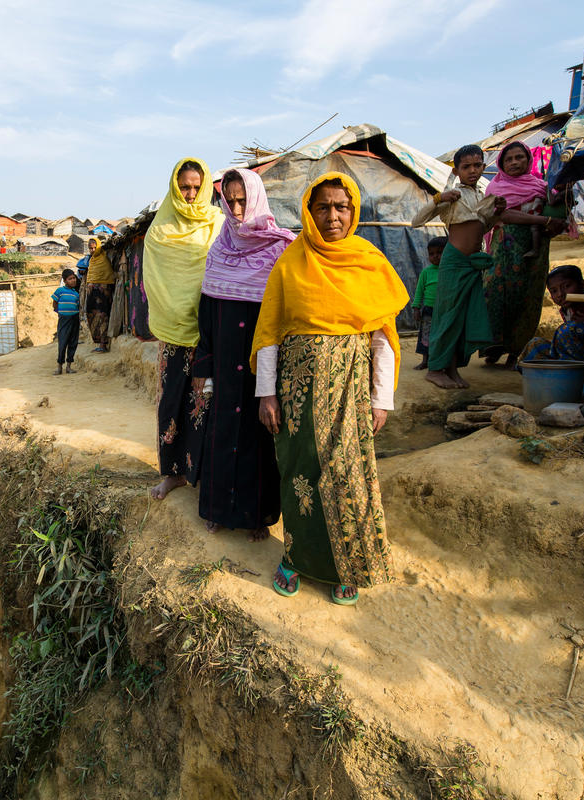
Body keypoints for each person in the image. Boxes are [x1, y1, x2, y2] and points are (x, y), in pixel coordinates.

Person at [252, 173, 409, 606]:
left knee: (346, 474)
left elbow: (383, 339)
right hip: (297, 392)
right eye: (323, 207)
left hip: (351, 392)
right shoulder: (291, 262)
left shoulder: (370, 262)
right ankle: (296, 556)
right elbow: (269, 333)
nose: (333, 215)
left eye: (342, 206)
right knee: (298, 470)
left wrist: (381, 400)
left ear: (353, 211)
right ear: (309, 210)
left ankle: (347, 565)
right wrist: (267, 394)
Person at [193, 168, 294, 540]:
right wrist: (203, 365)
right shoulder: (219, 249)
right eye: (229, 200)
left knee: (258, 438)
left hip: (261, 364)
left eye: (242, 199)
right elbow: (206, 312)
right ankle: (217, 510)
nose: (235, 209)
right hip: (224, 360)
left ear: (256, 198)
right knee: (221, 434)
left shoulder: (281, 248)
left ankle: (257, 517)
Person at [144, 158, 224, 500]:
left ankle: (203, 475)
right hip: (173, 335)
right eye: (184, 187)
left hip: (207, 333)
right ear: (175, 188)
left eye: (196, 187)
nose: (190, 194)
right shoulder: (159, 230)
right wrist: (174, 308)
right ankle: (173, 474)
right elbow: (154, 282)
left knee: (204, 405)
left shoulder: (220, 225)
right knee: (171, 404)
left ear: (205, 188)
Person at [411, 144, 506, 389]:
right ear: (457, 170)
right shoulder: (452, 195)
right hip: (454, 263)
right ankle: (435, 369)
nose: (472, 171)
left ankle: (452, 369)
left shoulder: (481, 197)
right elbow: (416, 221)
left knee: (462, 319)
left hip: (471, 264)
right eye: (466, 167)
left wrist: (496, 214)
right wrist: (438, 198)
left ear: (484, 167)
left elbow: (481, 229)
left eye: (477, 166)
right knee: (448, 317)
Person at [482, 141, 568, 369]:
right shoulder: (495, 188)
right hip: (504, 249)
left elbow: (557, 212)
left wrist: (552, 218)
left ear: (528, 160)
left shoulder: (541, 187)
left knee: (527, 297)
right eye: (508, 159)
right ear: (501, 164)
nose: (514, 162)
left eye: (519, 157)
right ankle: (495, 346)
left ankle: (516, 351)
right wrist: (543, 220)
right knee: (495, 293)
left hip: (535, 248)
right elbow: (505, 216)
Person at [523, 264, 584, 369]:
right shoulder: (567, 310)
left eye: (567, 286)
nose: (560, 294)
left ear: (583, 284)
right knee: (536, 344)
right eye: (554, 291)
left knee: (567, 330)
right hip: (576, 358)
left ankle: (573, 374)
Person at [411, 237, 446, 370]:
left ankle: (440, 362)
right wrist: (416, 308)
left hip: (445, 310)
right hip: (429, 310)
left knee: (442, 337)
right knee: (426, 336)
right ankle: (425, 360)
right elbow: (419, 291)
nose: (435, 256)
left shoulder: (449, 271)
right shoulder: (426, 272)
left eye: (439, 253)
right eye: (431, 254)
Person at [84, 240, 115, 353]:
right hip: (92, 295)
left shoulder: (104, 260)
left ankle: (103, 344)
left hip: (102, 296)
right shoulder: (91, 261)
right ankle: (98, 342)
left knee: (103, 317)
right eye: (90, 248)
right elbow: (90, 277)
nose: (92, 250)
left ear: (98, 247)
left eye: (94, 248)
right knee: (90, 315)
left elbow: (109, 276)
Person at [51, 268, 81, 374]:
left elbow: (78, 305)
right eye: (70, 279)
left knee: (73, 342)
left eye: (74, 278)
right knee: (62, 342)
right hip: (64, 319)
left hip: (75, 319)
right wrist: (59, 312)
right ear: (64, 281)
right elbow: (54, 303)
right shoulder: (60, 291)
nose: (73, 280)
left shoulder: (76, 293)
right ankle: (59, 366)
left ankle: (69, 366)